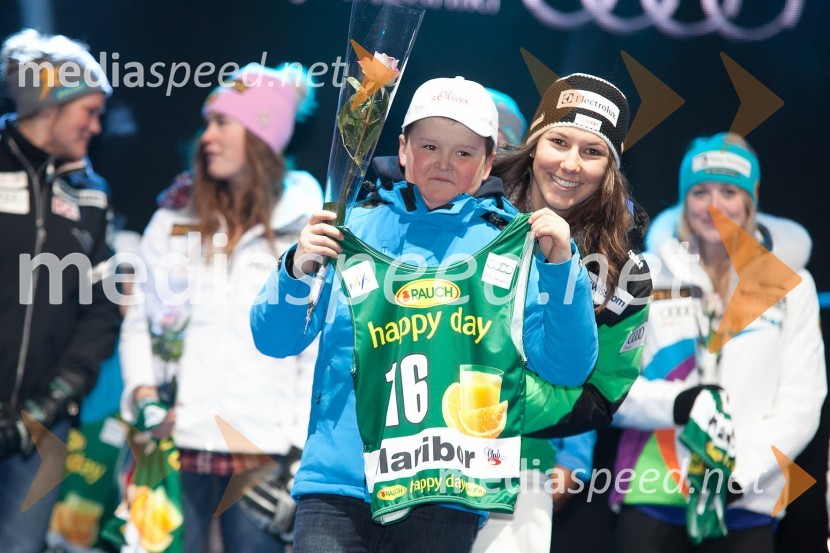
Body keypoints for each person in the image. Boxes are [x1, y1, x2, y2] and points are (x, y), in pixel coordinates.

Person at [251, 76, 599, 552]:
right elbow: (274, 340)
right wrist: (295, 268)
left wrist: (563, 269)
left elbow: (567, 366)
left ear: (487, 161)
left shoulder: (513, 245)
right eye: (430, 145)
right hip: (338, 484)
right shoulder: (349, 227)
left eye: (462, 152)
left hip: (447, 489)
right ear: (403, 147)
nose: (443, 163)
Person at [119, 63, 320, 553]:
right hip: (172, 439)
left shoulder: (307, 225)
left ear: (260, 135)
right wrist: (143, 393)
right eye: (207, 123)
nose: (206, 137)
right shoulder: (173, 216)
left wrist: (297, 449)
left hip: (261, 451)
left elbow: (314, 348)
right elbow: (139, 322)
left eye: (222, 123)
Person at [611, 132, 826, 552]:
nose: (713, 205)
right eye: (700, 191)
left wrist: (740, 471)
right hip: (651, 488)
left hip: (748, 497)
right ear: (683, 199)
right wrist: (677, 403)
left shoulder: (792, 286)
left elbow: (803, 399)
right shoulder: (644, 277)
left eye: (729, 191)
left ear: (751, 200)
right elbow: (611, 388)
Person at [479, 73, 652, 553]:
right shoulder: (470, 215)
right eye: (558, 141)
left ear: (610, 167)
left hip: (519, 477)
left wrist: (496, 403)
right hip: (418, 456)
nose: (570, 164)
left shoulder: (624, 272)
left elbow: (601, 394)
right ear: (533, 145)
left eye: (592, 151)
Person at [0, 28, 120, 553]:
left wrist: (50, 403)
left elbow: (102, 310)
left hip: (42, 432)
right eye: (89, 111)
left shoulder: (91, 194)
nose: (97, 126)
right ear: (51, 101)